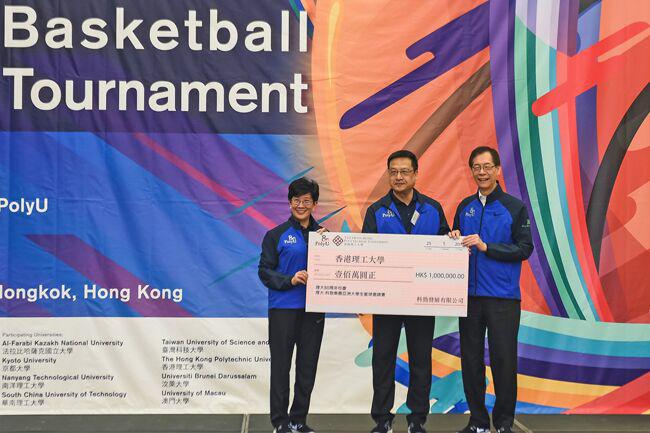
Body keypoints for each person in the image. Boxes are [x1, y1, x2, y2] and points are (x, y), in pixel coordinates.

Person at [362, 150, 449, 433]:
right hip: (387, 300)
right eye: (393, 172)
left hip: (421, 299)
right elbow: (364, 254)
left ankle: (417, 419)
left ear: (415, 174)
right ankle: (382, 419)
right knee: (382, 358)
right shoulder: (376, 210)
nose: (398, 177)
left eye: (404, 171)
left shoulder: (433, 208)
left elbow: (446, 246)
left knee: (421, 359)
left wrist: (453, 240)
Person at [449, 147, 533, 433]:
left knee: (503, 361)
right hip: (469, 298)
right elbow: (456, 242)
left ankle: (504, 423)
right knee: (471, 360)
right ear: (471, 170)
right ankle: (478, 421)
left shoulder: (514, 207)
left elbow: (524, 248)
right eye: (476, 167)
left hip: (502, 298)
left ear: (497, 170)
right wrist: (453, 238)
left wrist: (487, 247)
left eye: (487, 167)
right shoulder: (465, 206)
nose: (482, 172)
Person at [258, 177, 327, 433]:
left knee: (307, 367)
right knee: (281, 366)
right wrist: (290, 280)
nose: (301, 205)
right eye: (296, 200)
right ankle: (280, 422)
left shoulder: (326, 238)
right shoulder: (275, 235)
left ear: (315, 204)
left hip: (313, 310)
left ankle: (298, 420)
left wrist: (331, 248)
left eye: (306, 201)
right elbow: (265, 271)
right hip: (283, 309)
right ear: (289, 203)